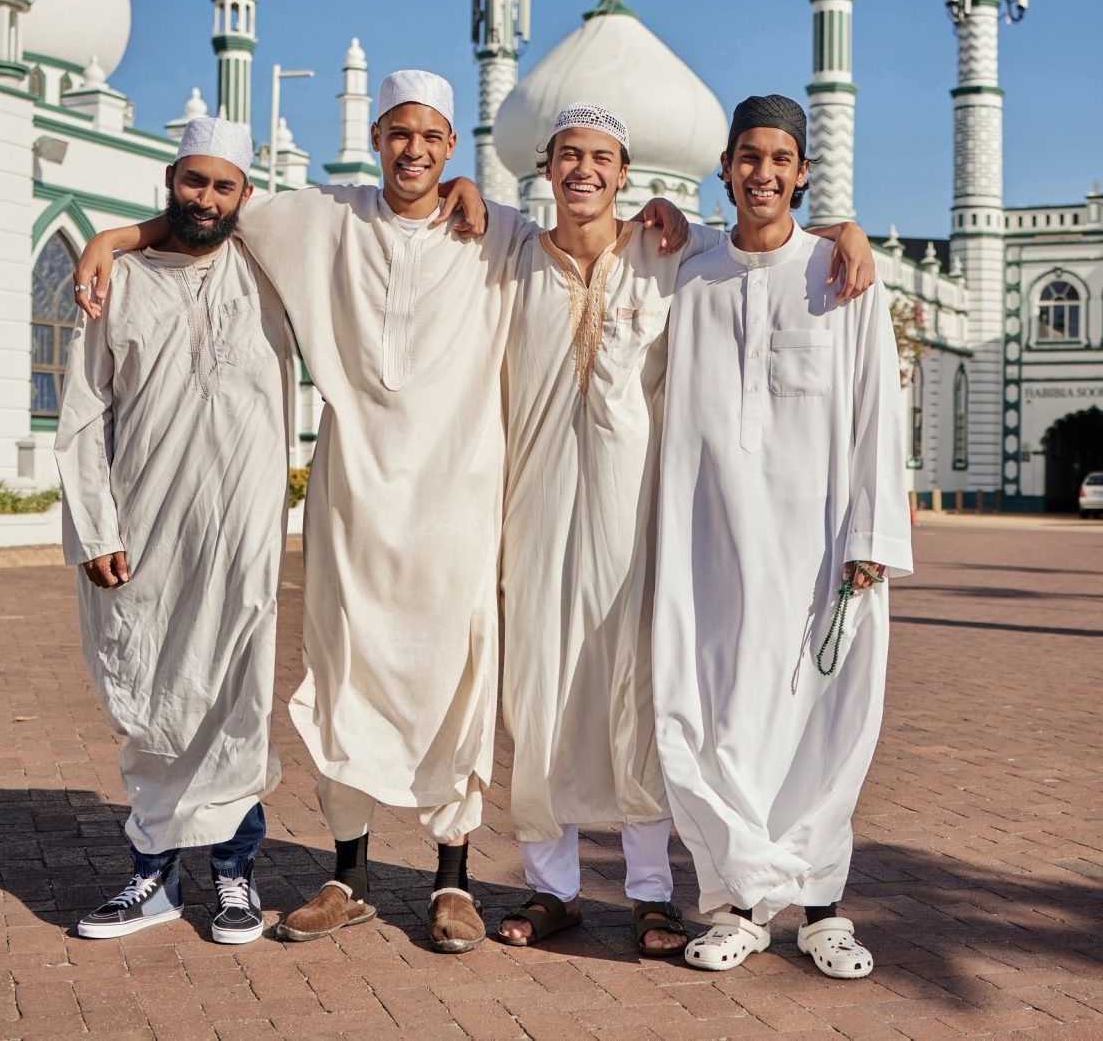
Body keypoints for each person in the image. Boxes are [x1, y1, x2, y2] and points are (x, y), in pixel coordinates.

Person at [71, 71, 688, 952]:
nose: (414, 151)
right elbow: (213, 206)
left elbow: (659, 238)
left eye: (432, 137)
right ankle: (348, 876)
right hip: (354, 497)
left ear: (453, 146)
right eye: (400, 134)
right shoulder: (323, 216)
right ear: (376, 137)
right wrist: (117, 236)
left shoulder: (501, 233)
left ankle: (452, 881)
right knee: (345, 676)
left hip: (461, 498)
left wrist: (672, 213)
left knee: (459, 684)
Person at [495, 103, 876, 959]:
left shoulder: (676, 255)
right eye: (569, 155)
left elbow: (770, 249)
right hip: (553, 515)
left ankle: (660, 894)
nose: (584, 171)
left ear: (627, 176)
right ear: (545, 165)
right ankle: (559, 888)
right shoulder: (524, 255)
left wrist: (845, 230)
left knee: (652, 696)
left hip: (665, 525)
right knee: (545, 693)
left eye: (602, 158)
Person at [651, 94, 913, 979]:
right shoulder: (691, 276)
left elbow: (877, 408)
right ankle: (736, 905)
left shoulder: (841, 275)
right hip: (709, 544)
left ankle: (822, 909)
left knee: (823, 720)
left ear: (803, 173)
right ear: (725, 168)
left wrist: (871, 535)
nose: (762, 173)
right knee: (714, 715)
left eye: (779, 159)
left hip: (823, 546)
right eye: (748, 157)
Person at [55, 116, 292, 944]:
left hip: (242, 530)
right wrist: (94, 529)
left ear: (246, 194)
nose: (207, 198)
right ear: (170, 180)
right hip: (144, 526)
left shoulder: (268, 268)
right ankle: (153, 876)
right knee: (153, 693)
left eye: (224, 186)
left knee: (236, 695)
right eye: (195, 181)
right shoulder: (117, 281)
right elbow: (84, 414)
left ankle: (234, 872)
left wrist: (114, 230)